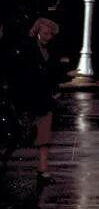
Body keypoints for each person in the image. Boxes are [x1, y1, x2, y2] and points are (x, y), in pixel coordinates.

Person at [21, 17, 68, 186]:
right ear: (37, 32)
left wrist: (55, 91)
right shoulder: (28, 49)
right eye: (45, 33)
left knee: (44, 137)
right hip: (29, 97)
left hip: (45, 99)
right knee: (24, 134)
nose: (48, 36)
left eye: (50, 34)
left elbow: (55, 73)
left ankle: (43, 169)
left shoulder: (52, 50)